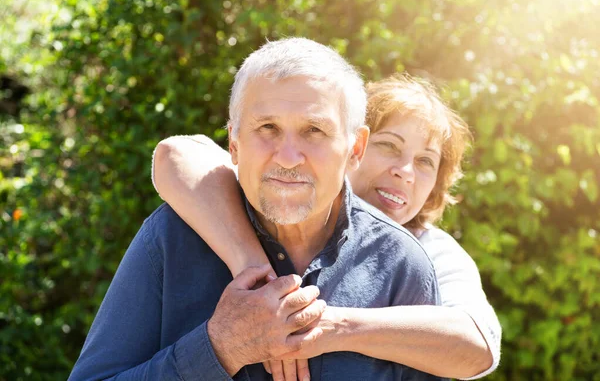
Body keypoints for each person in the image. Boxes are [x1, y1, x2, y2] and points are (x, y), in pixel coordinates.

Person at [69, 38, 443, 381]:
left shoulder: (401, 265)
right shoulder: (170, 238)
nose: (288, 157)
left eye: (314, 130)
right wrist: (221, 347)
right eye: (267, 127)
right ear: (233, 142)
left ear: (355, 149)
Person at [151, 74, 502, 380]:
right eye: (389, 146)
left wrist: (321, 326)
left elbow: (476, 346)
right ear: (351, 148)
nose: (405, 171)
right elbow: (179, 154)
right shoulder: (281, 205)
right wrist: (254, 270)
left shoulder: (432, 250)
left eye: (425, 161)